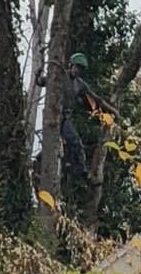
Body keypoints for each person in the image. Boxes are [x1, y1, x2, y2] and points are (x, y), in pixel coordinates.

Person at [37, 52, 119, 180]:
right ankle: (41, 163)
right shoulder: (59, 76)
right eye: (76, 67)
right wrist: (39, 72)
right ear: (71, 65)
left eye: (80, 69)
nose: (77, 70)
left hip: (65, 118)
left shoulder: (79, 84)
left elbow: (96, 99)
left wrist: (112, 110)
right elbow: (41, 81)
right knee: (52, 146)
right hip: (53, 116)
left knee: (75, 142)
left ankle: (79, 169)